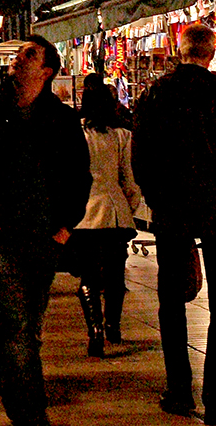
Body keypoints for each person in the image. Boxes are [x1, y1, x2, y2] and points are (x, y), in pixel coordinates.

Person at [0, 35, 90, 426]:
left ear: (46, 71)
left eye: (28, 55)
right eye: (18, 54)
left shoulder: (60, 119)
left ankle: (16, 385)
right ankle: (30, 412)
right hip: (0, 237)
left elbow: (78, 175)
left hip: (43, 236)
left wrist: (65, 227)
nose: (17, 59)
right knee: (16, 325)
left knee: (25, 324)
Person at [132, 21, 216, 421]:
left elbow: (140, 154)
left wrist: (155, 198)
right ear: (210, 53)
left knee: (171, 302)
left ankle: (180, 389)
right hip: (215, 206)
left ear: (178, 50)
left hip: (171, 208)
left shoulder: (156, 94)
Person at [71, 75, 140, 357]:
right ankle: (113, 325)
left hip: (84, 214)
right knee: (114, 274)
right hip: (114, 213)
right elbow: (129, 180)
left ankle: (95, 330)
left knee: (88, 274)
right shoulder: (122, 136)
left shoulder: (76, 134)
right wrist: (129, 207)